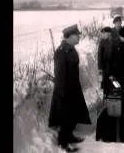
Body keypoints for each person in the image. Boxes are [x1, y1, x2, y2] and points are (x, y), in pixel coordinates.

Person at [48, 24, 91, 152]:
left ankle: (70, 136)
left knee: (73, 115)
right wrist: (62, 93)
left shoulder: (70, 49)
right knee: (65, 117)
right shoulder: (62, 51)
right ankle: (63, 143)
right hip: (65, 90)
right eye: (77, 35)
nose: (79, 37)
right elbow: (60, 73)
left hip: (73, 87)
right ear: (70, 36)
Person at [98, 27, 115, 95]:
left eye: (104, 33)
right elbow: (99, 56)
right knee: (105, 84)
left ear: (109, 33)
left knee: (113, 84)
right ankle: (107, 99)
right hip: (105, 67)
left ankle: (113, 101)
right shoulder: (102, 42)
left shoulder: (113, 42)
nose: (102, 35)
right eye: (102, 33)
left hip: (113, 67)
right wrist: (100, 68)